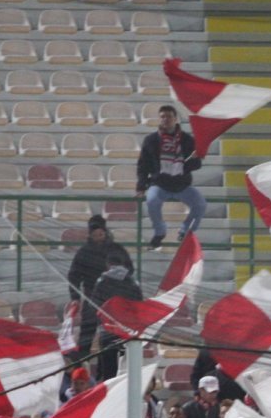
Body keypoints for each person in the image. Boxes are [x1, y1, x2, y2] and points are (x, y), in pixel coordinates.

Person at [67, 216, 133, 362]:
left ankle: (111, 367)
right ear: (90, 235)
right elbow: (74, 276)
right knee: (87, 334)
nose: (98, 237)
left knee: (111, 336)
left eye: (100, 234)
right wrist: (75, 297)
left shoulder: (117, 250)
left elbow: (129, 270)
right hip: (92, 297)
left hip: (113, 299)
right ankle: (81, 365)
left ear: (105, 232)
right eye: (95, 235)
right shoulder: (84, 252)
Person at [137, 105, 203, 249]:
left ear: (175, 119)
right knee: (152, 200)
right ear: (159, 119)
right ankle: (160, 231)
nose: (165, 119)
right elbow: (143, 165)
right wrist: (141, 186)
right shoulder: (150, 140)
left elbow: (197, 165)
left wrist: (195, 159)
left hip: (182, 185)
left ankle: (185, 231)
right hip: (159, 184)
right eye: (162, 117)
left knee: (200, 204)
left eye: (169, 116)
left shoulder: (188, 140)